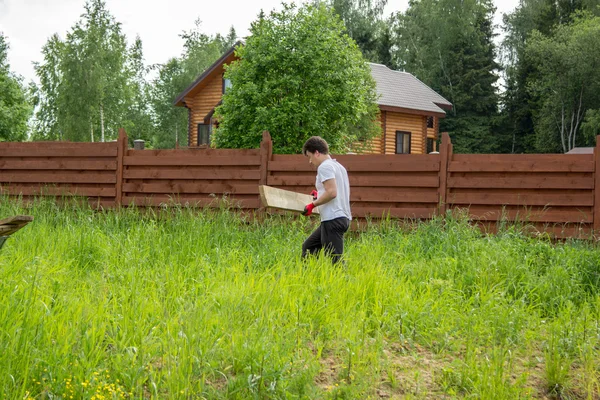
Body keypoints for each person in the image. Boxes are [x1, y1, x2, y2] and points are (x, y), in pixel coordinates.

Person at [301, 136, 351, 264]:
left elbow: (332, 192)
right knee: (309, 247)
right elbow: (334, 190)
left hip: (333, 219)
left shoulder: (324, 167)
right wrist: (319, 194)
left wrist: (313, 205)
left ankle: (344, 282)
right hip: (341, 217)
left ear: (317, 152)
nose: (310, 161)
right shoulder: (339, 166)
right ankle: (310, 278)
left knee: (335, 260)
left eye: (310, 156)